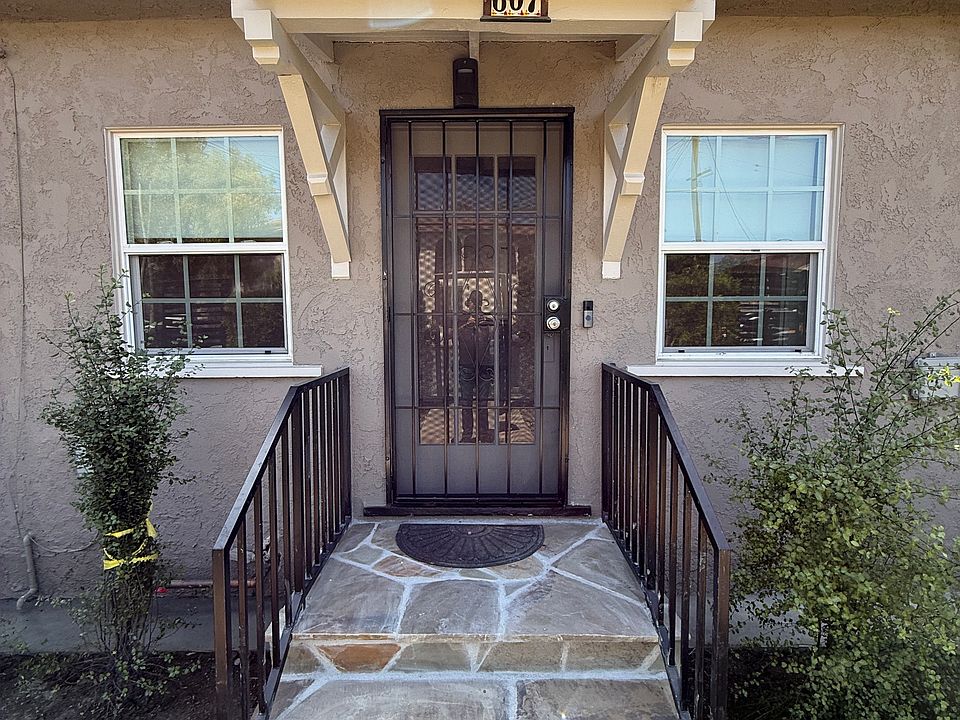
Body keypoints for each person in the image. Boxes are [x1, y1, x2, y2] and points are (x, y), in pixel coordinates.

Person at [457, 288, 496, 443]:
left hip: (484, 364)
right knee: (466, 401)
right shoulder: (461, 319)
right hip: (467, 364)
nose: (474, 305)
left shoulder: (488, 321)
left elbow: (495, 334)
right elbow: (451, 335)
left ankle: (483, 433)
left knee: (482, 402)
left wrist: (483, 323)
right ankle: (467, 434)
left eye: (477, 302)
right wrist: (466, 324)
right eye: (472, 302)